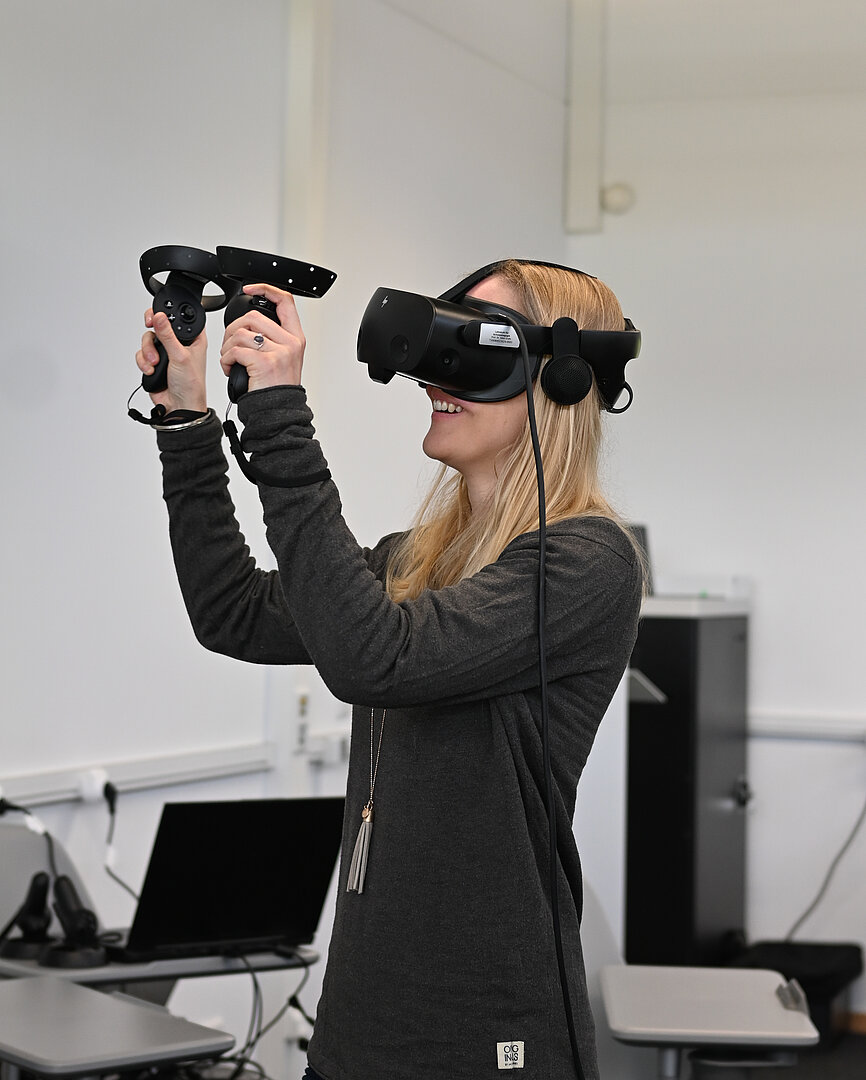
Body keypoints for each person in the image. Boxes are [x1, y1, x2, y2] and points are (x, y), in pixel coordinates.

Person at [135, 259, 643, 1080]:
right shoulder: (416, 561)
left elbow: (375, 658)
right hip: (360, 1024)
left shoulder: (587, 562)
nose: (436, 382)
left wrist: (279, 416)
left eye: (476, 350)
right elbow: (232, 610)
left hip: (487, 1035)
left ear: (564, 377)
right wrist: (187, 421)